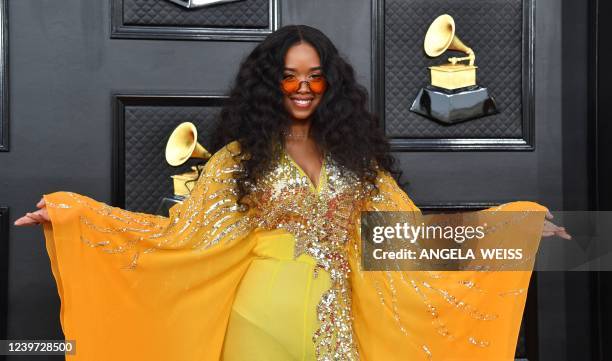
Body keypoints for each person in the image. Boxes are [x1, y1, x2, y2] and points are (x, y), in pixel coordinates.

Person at [15, 25, 570, 361]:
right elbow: (178, 237)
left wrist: (513, 230)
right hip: (261, 320)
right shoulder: (238, 163)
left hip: (341, 323)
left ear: (331, 81)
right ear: (270, 83)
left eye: (314, 74)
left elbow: (408, 239)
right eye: (289, 75)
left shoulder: (359, 163)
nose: (302, 86)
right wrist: (76, 218)